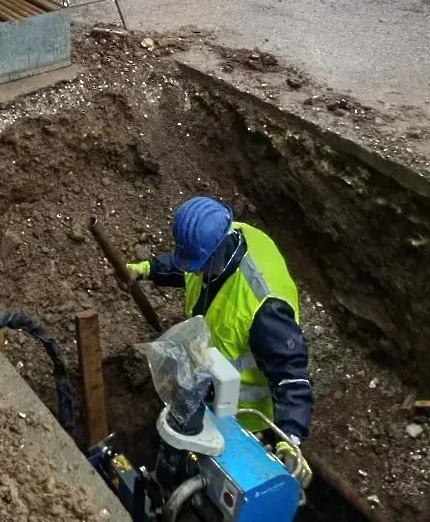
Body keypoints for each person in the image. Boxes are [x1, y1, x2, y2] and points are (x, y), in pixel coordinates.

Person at [127, 196, 314, 487]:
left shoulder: (264, 308)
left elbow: (291, 376)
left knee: (221, 487)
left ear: (218, 252)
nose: (194, 272)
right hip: (208, 385)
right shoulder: (219, 238)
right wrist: (149, 270)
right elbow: (186, 268)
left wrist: (288, 436)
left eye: (199, 265)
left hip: (243, 418)